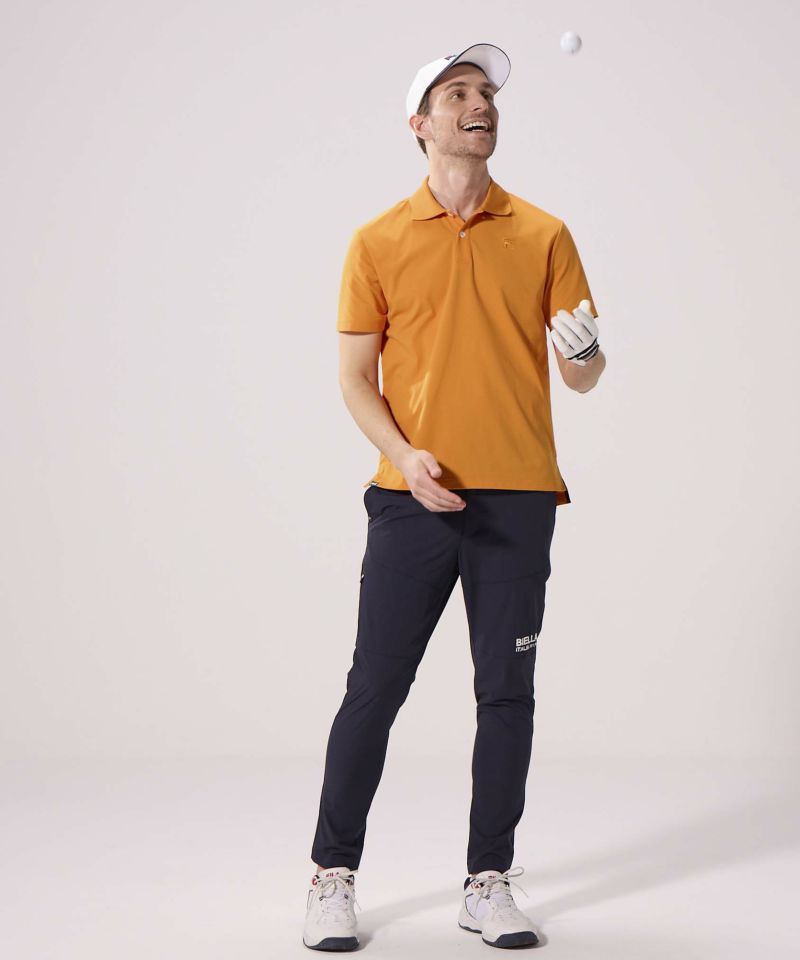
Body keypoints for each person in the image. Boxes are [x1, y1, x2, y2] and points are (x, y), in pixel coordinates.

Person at [303, 42, 606, 952]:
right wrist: (405, 455)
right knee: (375, 687)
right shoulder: (377, 240)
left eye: (487, 94)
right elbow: (355, 378)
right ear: (421, 124)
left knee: (506, 692)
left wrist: (587, 353)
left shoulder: (544, 234)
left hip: (519, 499)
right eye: (458, 93)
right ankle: (331, 876)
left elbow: (583, 375)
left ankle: (487, 882)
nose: (481, 104)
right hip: (411, 499)